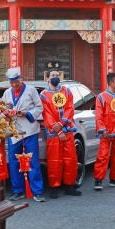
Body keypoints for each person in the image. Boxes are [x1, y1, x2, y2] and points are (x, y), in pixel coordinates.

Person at [1, 67, 44, 201]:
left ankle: (37, 191)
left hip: (30, 128)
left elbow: (39, 107)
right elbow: (1, 108)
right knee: (14, 161)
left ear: (21, 79)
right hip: (14, 131)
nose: (14, 85)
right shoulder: (7, 93)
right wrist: (6, 112)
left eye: (16, 82)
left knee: (32, 160)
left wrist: (27, 113)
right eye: (11, 82)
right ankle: (18, 190)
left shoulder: (31, 90)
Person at [39, 70, 81, 198]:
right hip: (53, 132)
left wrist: (62, 124)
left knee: (71, 159)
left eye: (57, 76)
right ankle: (54, 186)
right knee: (54, 160)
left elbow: (70, 108)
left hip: (67, 130)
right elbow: (46, 114)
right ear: (47, 79)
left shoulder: (67, 91)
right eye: (53, 76)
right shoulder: (44, 95)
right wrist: (58, 130)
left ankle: (69, 185)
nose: (55, 78)